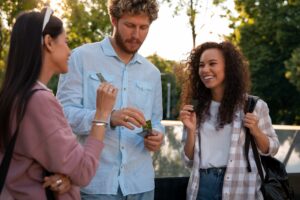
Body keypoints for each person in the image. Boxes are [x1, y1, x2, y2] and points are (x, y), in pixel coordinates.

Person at [0, 8, 117, 200]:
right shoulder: (39, 101)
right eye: (66, 42)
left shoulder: (12, 95)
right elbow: (84, 170)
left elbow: (28, 160)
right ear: (48, 42)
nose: (70, 51)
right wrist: (102, 114)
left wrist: (66, 178)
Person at [56, 0, 164, 199]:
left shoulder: (152, 73)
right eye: (130, 25)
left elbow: (155, 120)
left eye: (143, 27)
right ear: (113, 20)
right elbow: (62, 116)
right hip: (95, 185)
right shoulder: (80, 58)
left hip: (141, 186)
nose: (136, 35)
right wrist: (108, 117)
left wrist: (156, 135)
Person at [179, 41, 280, 200]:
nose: (205, 70)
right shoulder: (194, 108)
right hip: (202, 187)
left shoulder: (253, 106)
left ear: (229, 67)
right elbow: (188, 160)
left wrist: (256, 131)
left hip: (241, 188)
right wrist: (191, 130)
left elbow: (273, 148)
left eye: (212, 63)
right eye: (201, 65)